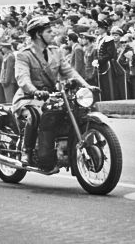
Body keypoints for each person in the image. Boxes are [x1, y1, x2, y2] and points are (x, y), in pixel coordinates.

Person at [13, 15, 91, 168]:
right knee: (35, 115)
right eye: (49, 31)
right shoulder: (24, 54)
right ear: (38, 34)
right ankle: (26, 151)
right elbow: (22, 79)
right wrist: (35, 91)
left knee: (76, 110)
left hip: (53, 96)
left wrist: (86, 86)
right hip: (29, 98)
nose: (53, 33)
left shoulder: (56, 51)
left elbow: (70, 72)